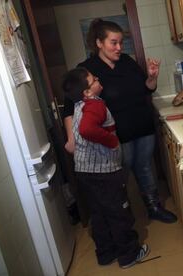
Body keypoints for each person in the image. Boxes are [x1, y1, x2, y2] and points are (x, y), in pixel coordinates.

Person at [63, 18, 177, 223]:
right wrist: (71, 137)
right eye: (113, 42)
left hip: (143, 128)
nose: (119, 47)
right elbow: (70, 107)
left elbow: (147, 89)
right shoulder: (87, 70)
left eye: (120, 43)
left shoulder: (127, 62)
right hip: (115, 137)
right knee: (119, 176)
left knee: (144, 167)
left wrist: (152, 77)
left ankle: (154, 207)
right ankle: (123, 216)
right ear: (99, 43)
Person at [62, 67, 149, 268]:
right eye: (93, 79)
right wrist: (110, 141)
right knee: (119, 211)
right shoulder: (95, 105)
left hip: (84, 171)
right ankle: (129, 255)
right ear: (87, 92)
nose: (98, 79)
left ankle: (105, 253)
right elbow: (86, 129)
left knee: (99, 213)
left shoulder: (79, 105)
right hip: (103, 171)